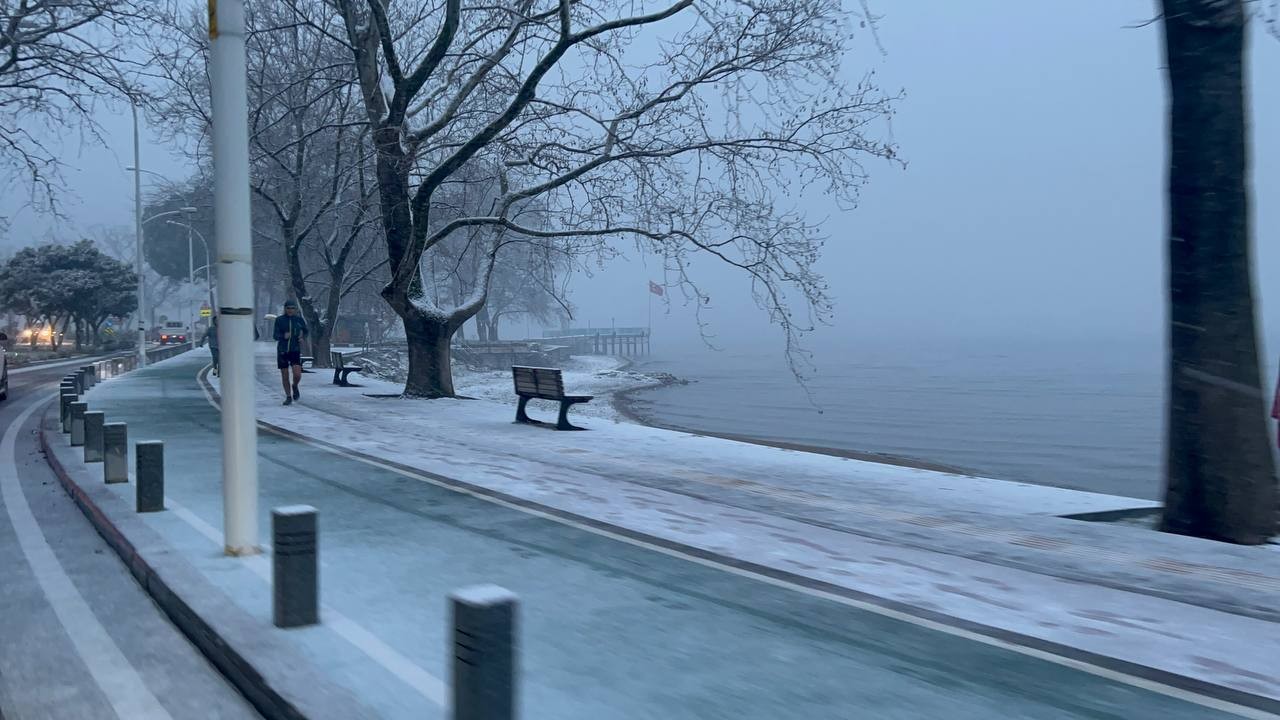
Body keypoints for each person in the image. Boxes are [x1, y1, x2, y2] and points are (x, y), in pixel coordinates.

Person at [273, 300, 308, 405]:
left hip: (294, 349)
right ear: (285, 309)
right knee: (285, 375)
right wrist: (283, 336)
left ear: (295, 309)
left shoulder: (299, 320)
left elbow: (306, 331)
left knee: (297, 374)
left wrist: (302, 337)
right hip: (282, 351)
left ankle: (295, 385)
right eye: (288, 308)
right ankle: (288, 396)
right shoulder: (279, 320)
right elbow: (275, 335)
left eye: (292, 308)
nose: (290, 310)